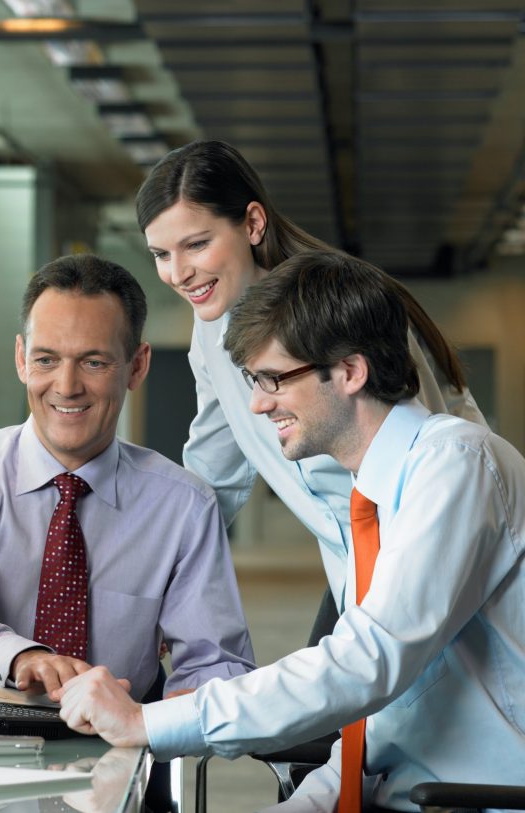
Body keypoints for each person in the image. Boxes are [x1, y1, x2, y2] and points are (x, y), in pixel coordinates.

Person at [57, 251, 525, 812]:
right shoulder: (370, 503)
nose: (257, 404)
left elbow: (367, 664)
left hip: (477, 802)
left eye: (274, 379)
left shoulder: (457, 465)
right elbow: (381, 721)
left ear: (350, 372)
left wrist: (147, 722)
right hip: (405, 792)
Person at [135, 140, 485, 605]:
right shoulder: (211, 334)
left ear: (253, 224)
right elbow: (214, 473)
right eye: (161, 255)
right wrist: (158, 583)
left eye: (196, 245)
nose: (178, 273)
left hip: (430, 560)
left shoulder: (345, 308)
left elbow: (436, 460)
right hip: (352, 567)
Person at [0, 253, 255, 705]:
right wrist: (21, 658)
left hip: (120, 744)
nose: (67, 386)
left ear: (138, 366)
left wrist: (169, 717)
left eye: (93, 363)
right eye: (46, 360)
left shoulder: (184, 505)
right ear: (21, 360)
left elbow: (217, 663)